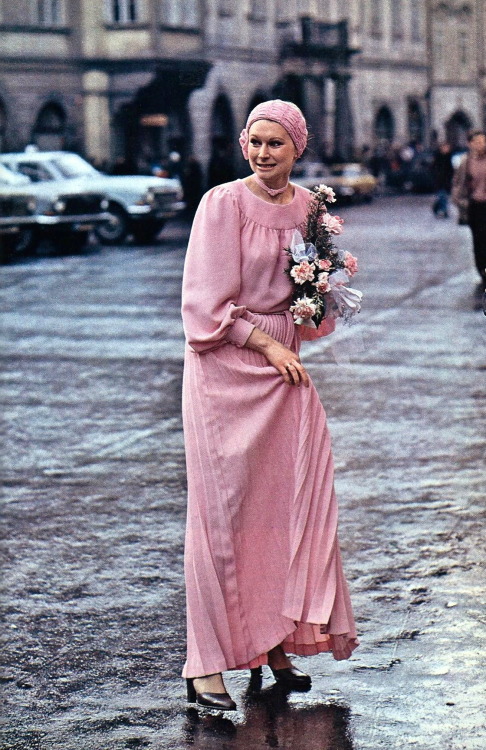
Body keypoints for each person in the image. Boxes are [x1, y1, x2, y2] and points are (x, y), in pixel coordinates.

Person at [181, 100, 359, 711]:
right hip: (225, 365)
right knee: (222, 514)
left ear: (297, 149)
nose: (262, 153)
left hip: (284, 361)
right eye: (254, 142)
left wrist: (320, 297)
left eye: (275, 144)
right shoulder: (221, 204)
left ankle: (272, 640)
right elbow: (204, 306)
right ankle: (205, 665)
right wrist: (264, 341)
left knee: (285, 505)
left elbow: (308, 308)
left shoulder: (312, 209)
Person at [452, 129, 486, 290]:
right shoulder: (466, 162)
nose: (481, 144)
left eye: (483, 141)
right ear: (470, 144)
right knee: (478, 241)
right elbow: (458, 183)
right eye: (477, 141)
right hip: (475, 206)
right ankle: (482, 271)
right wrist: (460, 201)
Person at [432, 142, 454, 218]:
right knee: (442, 196)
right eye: (445, 147)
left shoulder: (449, 157)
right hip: (439, 181)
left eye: (447, 147)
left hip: (446, 181)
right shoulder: (438, 157)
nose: (446, 149)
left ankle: (438, 208)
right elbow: (433, 168)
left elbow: (451, 169)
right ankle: (444, 210)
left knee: (443, 196)